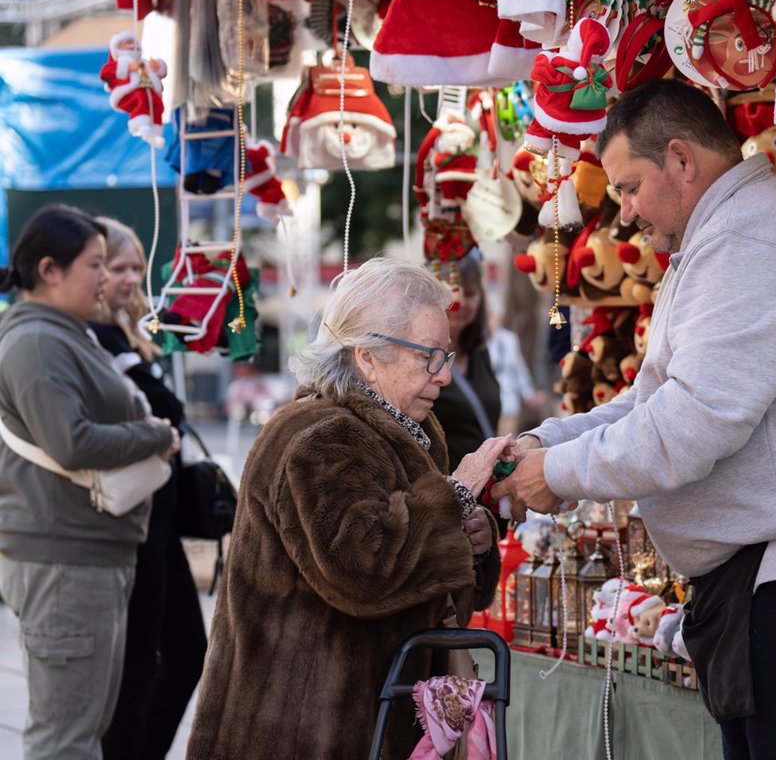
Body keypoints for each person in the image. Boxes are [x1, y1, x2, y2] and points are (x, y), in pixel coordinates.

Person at [494, 79, 776, 760]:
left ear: (682, 160)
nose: (623, 214)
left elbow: (693, 423)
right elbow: (658, 401)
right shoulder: (723, 235)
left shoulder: (751, 237)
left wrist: (559, 474)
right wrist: (543, 442)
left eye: (628, 187)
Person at [186, 258, 510, 760]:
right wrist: (456, 495)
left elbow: (432, 593)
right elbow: (361, 572)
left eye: (445, 355)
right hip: (297, 731)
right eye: (429, 356)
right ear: (366, 358)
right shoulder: (316, 437)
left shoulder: (413, 431)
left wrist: (472, 537)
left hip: (374, 723)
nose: (444, 375)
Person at [0, 204, 179, 760]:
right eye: (95, 264)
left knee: (83, 727)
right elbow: (71, 441)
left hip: (87, 553)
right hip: (64, 559)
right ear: (50, 270)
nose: (106, 278)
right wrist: (152, 435)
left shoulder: (62, 333)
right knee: (65, 737)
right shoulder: (36, 341)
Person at [91, 219, 206, 760]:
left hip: (157, 515)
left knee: (183, 653)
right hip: (129, 520)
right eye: (116, 267)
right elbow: (164, 411)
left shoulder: (128, 334)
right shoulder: (96, 339)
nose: (130, 279)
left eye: (136, 267)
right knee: (141, 665)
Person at [431, 252, 502, 469]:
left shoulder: (480, 354)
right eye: (451, 291)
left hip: (486, 489)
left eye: (470, 293)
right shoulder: (421, 361)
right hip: (447, 489)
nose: (459, 302)